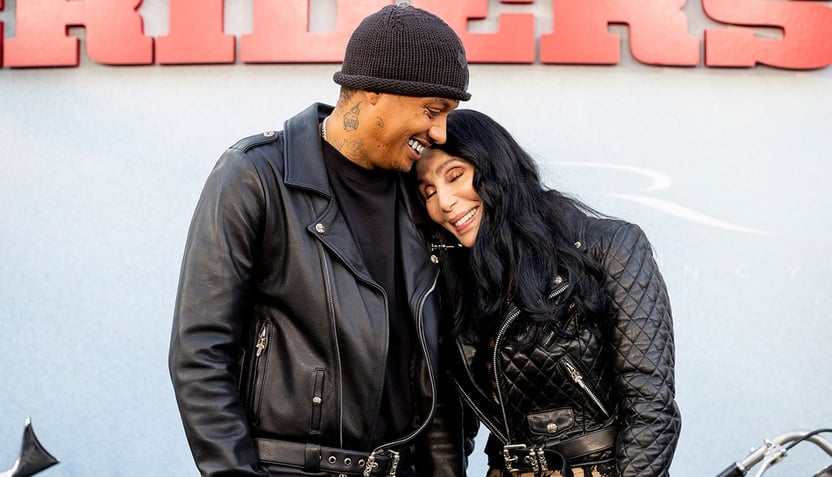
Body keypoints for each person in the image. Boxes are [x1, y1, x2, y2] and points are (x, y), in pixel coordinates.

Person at [168, 4, 472, 477]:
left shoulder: (422, 197)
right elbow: (201, 351)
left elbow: (435, 368)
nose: (439, 132)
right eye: (433, 111)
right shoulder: (256, 175)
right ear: (374, 91)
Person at [413, 110, 682, 477]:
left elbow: (651, 405)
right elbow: (448, 421)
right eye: (428, 192)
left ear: (496, 167)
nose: (443, 202)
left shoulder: (609, 246)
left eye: (455, 175)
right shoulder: (452, 282)